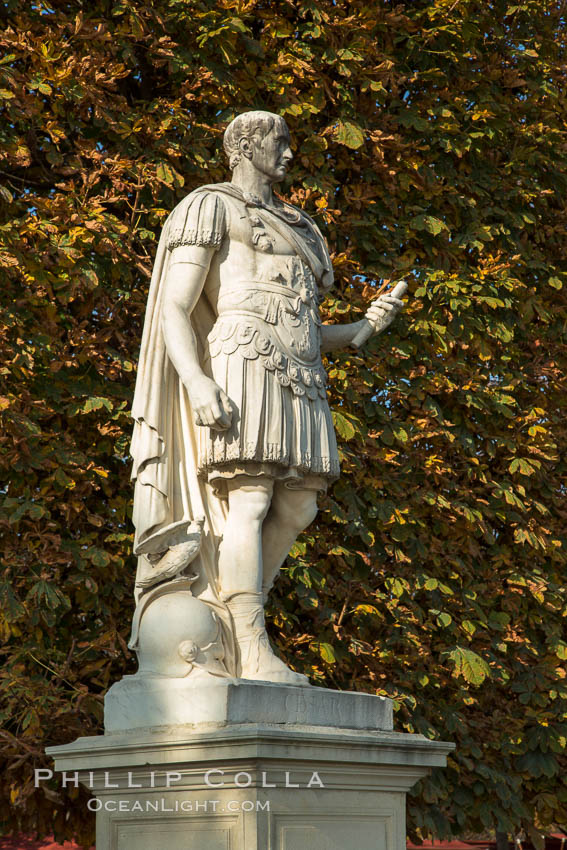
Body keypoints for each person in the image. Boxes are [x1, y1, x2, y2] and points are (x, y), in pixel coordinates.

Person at [130, 110, 404, 685]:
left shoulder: (302, 227)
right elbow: (177, 308)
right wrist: (197, 380)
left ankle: (236, 619)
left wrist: (362, 329)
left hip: (301, 370)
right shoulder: (209, 207)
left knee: (300, 504)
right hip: (240, 356)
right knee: (249, 499)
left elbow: (307, 325)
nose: (287, 154)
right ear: (246, 145)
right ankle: (250, 643)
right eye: (278, 142)